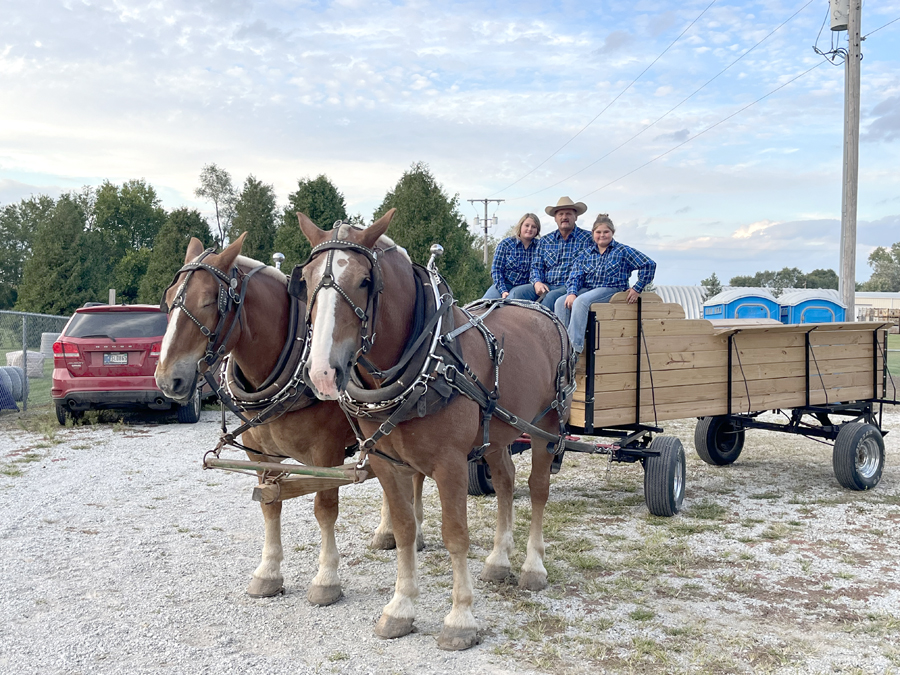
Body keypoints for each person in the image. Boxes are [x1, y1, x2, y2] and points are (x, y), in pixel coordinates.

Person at [555, 213, 656, 353]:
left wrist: (637, 288)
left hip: (612, 289)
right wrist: (571, 292)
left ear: (612, 233)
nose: (602, 235)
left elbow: (649, 264)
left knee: (581, 301)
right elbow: (575, 276)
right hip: (590, 289)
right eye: (598, 232)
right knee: (561, 302)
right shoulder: (586, 253)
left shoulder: (622, 251)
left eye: (606, 232)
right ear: (593, 233)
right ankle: (560, 346)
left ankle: (573, 349)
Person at [508, 196, 593, 309]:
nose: (564, 217)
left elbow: (611, 250)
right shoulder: (545, 241)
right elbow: (536, 266)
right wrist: (537, 282)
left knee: (550, 298)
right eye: (560, 214)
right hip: (547, 285)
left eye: (568, 213)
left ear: (576, 217)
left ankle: (539, 326)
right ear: (555, 218)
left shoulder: (589, 238)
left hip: (572, 286)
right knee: (517, 293)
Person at [482, 213, 541, 299]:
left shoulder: (540, 247)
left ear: (537, 230)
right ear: (520, 227)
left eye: (533, 227)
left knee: (512, 300)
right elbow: (496, 270)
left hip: (525, 287)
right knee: (485, 303)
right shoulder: (505, 244)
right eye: (527, 225)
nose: (529, 229)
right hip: (504, 283)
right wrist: (503, 291)